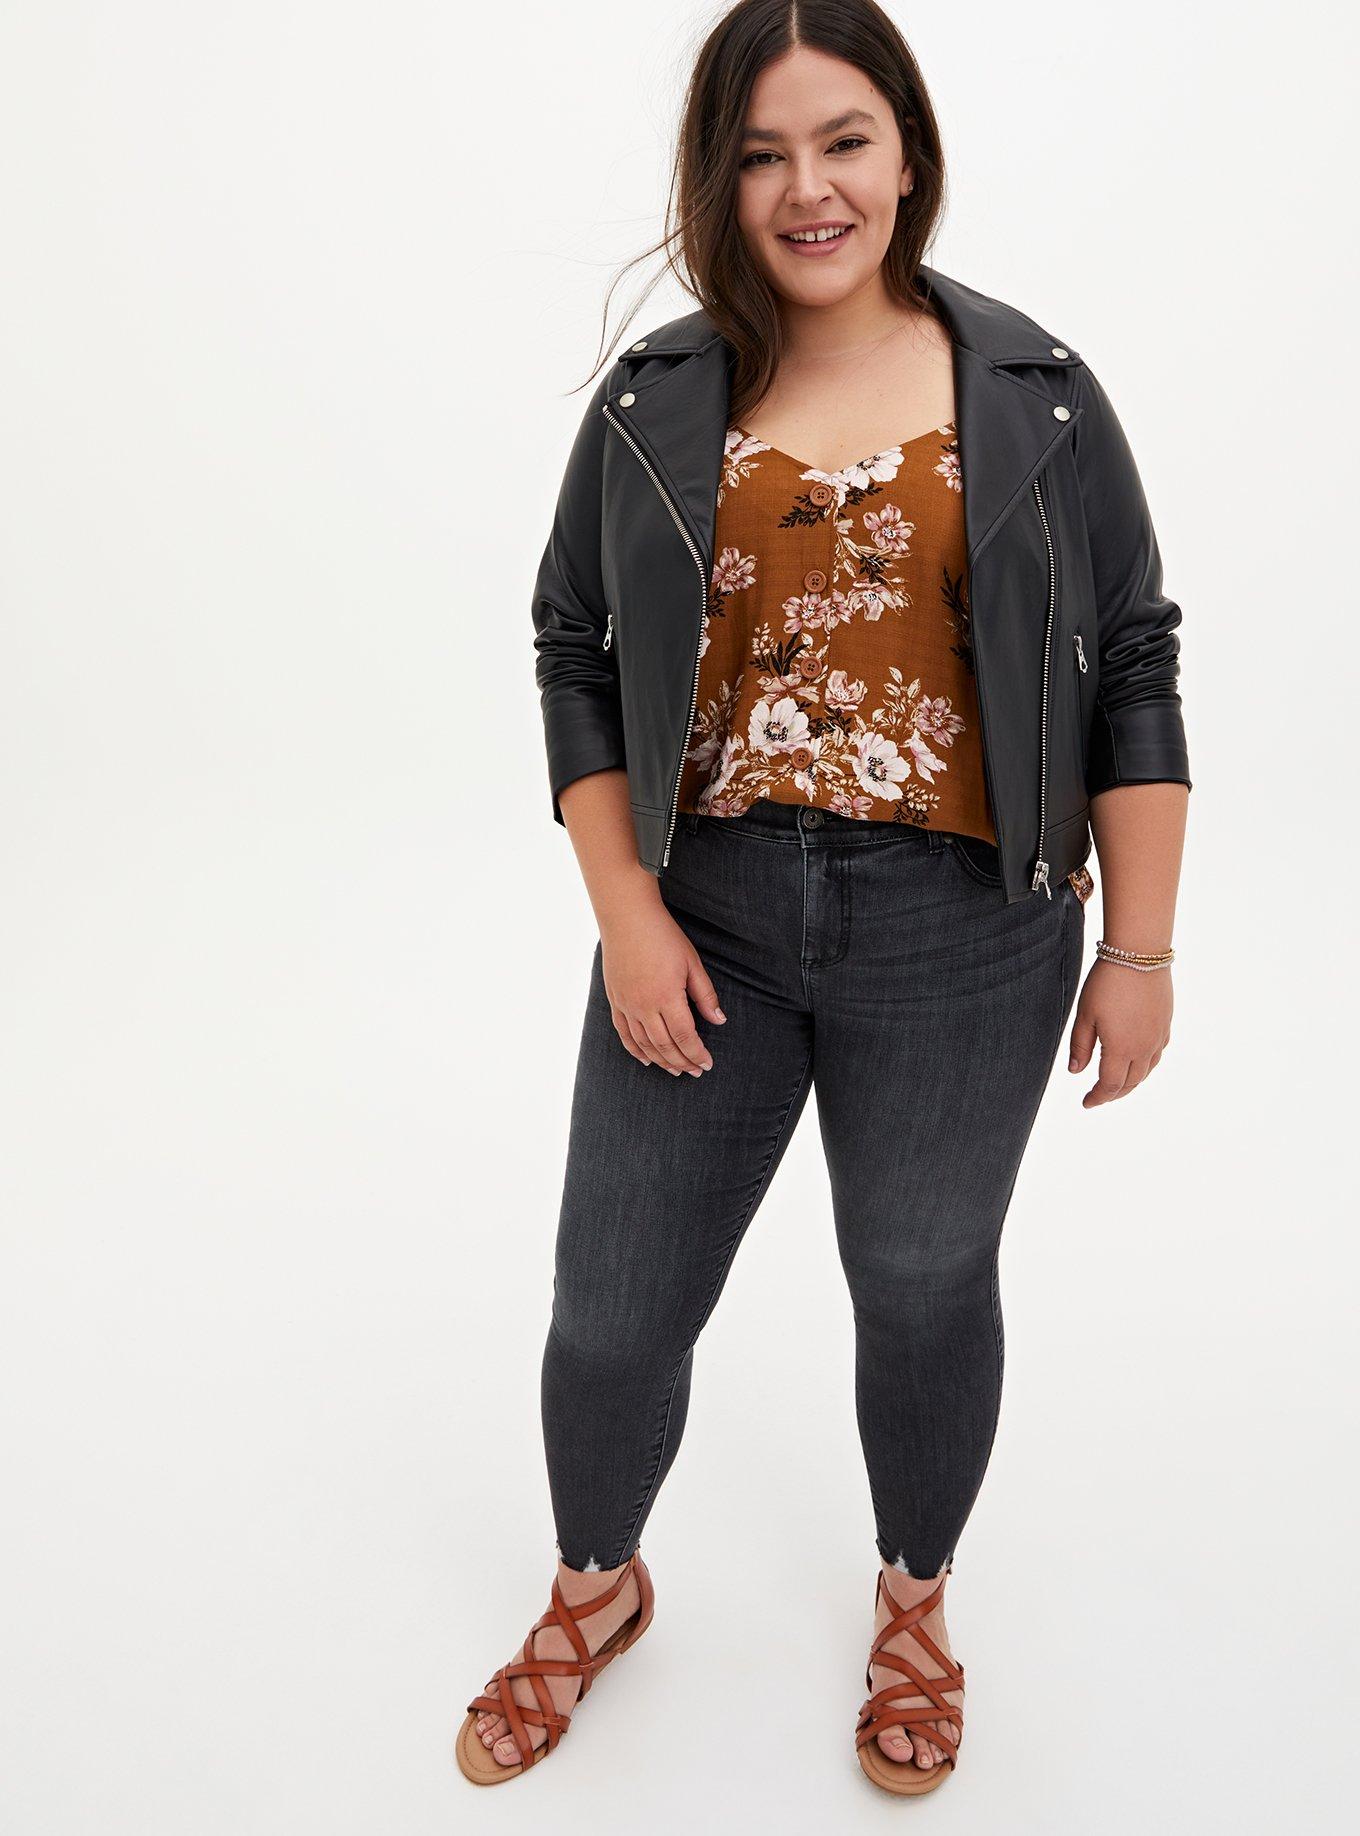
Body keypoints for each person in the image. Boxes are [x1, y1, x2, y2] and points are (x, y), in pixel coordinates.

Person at [458, 0, 1190, 1797]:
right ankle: (597, 1586)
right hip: (703, 917)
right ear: (720, 179)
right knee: (612, 1307)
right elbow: (570, 644)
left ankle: (915, 1601)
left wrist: (1143, 944)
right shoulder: (659, 395)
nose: (809, 189)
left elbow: (1134, 661)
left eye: (844, 140)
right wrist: (626, 912)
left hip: (967, 932)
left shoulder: (1035, 391)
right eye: (763, 153)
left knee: (922, 1286)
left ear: (908, 153)